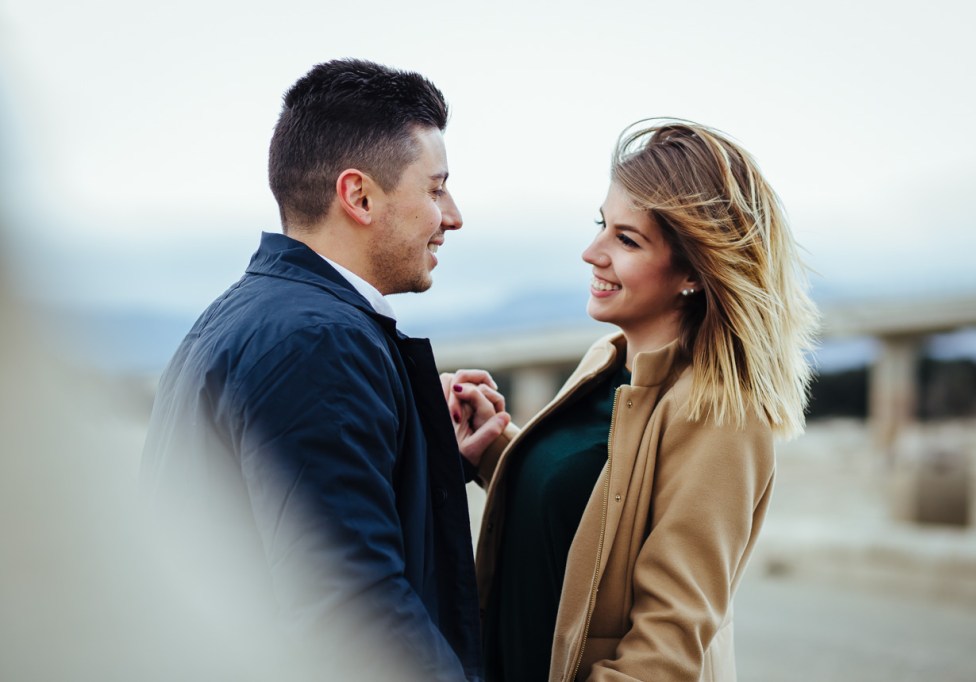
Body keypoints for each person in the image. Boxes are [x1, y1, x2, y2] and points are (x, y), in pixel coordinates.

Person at [140, 59, 508, 682]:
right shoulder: (318, 344)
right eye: (435, 188)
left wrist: (428, 457)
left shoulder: (243, 314)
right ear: (359, 196)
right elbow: (356, 616)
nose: (452, 215)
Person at [451, 119, 818, 681]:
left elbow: (666, 645)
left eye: (626, 240)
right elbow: (593, 509)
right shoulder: (607, 360)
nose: (591, 252)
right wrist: (494, 444)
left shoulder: (721, 411)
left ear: (694, 270)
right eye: (602, 225)